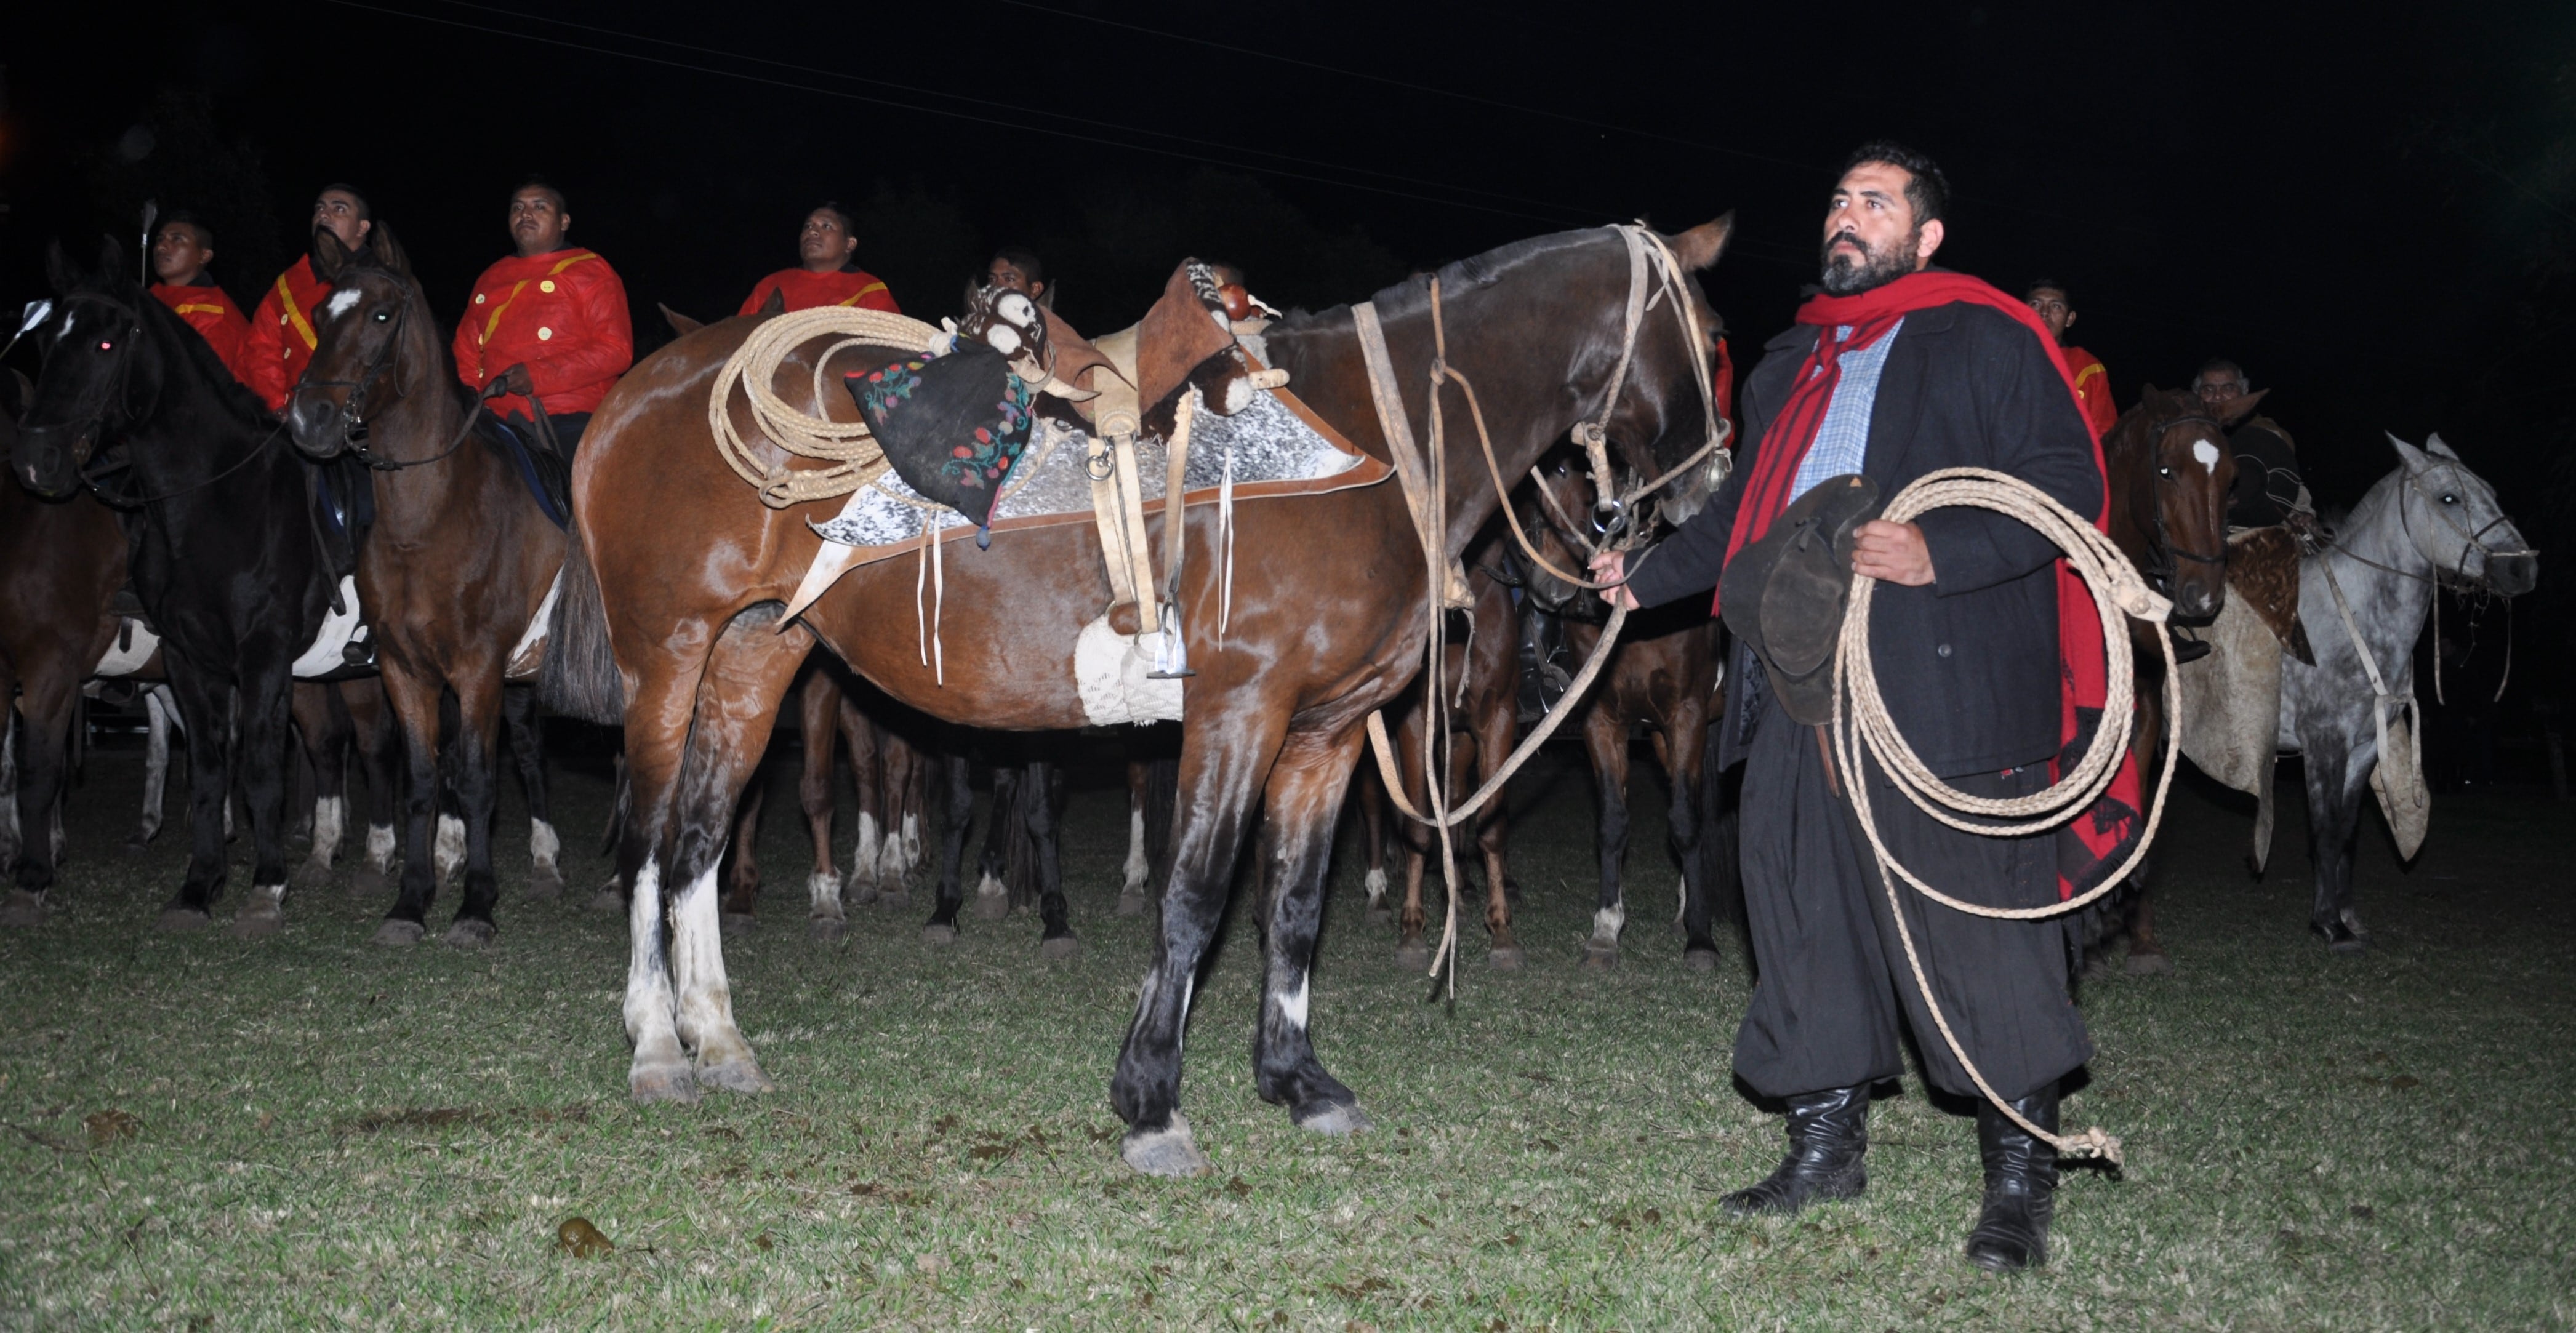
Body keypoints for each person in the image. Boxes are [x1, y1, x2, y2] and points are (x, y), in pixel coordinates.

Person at [1591, 142, 2111, 1273]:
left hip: (1941, 678)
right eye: (1838, 198)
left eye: (1875, 203)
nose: (1847, 215)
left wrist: (1942, 548)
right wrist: (1647, 576)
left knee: (1978, 926)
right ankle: (1825, 1150)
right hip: (1793, 682)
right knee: (1800, 906)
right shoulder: (1790, 361)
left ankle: (2019, 1178)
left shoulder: (1990, 338)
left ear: (1926, 237)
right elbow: (1742, 517)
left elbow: (2069, 490)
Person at [451, 178, 632, 459]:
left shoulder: (591, 270)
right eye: (518, 208)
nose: (525, 214)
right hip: (495, 420)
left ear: (564, 222)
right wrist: (473, 402)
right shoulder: (490, 278)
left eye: (539, 207)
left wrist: (538, 375)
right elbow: (465, 353)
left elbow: (616, 351)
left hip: (572, 413)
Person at [246, 184, 372, 412]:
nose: (324, 214)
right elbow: (262, 348)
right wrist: (278, 406)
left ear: (362, 227)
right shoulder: (288, 282)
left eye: (339, 209)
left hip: (363, 424)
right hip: (294, 419)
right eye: (320, 208)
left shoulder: (383, 280)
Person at [2196, 358, 2310, 531]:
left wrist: (2303, 515)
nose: (2218, 397)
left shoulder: (2268, 435)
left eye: (2228, 388)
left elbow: (2288, 483)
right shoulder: (2183, 439)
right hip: (2199, 534)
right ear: (2198, 395)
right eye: (2208, 389)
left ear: (2245, 391)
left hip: (2262, 533)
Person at [146, 212, 255, 388]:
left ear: (204, 256)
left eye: (177, 239)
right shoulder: (151, 297)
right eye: (160, 239)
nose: (161, 247)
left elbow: (203, 388)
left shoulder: (214, 314)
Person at [737, 202, 899, 316]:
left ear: (849, 244)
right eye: (808, 226)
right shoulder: (771, 285)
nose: (812, 232)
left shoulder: (870, 290)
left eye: (826, 226)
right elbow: (738, 343)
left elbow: (890, 351)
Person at [2026, 279, 2118, 434]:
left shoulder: (2087, 367)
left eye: (2056, 306)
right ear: (2021, 312)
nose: (2045, 312)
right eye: (2036, 304)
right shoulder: (2001, 360)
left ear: (2070, 319)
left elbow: (2106, 433)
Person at [985, 247, 1050, 305]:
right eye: (992, 279)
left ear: (1035, 290)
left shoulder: (1048, 318)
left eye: (1009, 279)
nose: (996, 287)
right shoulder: (979, 317)